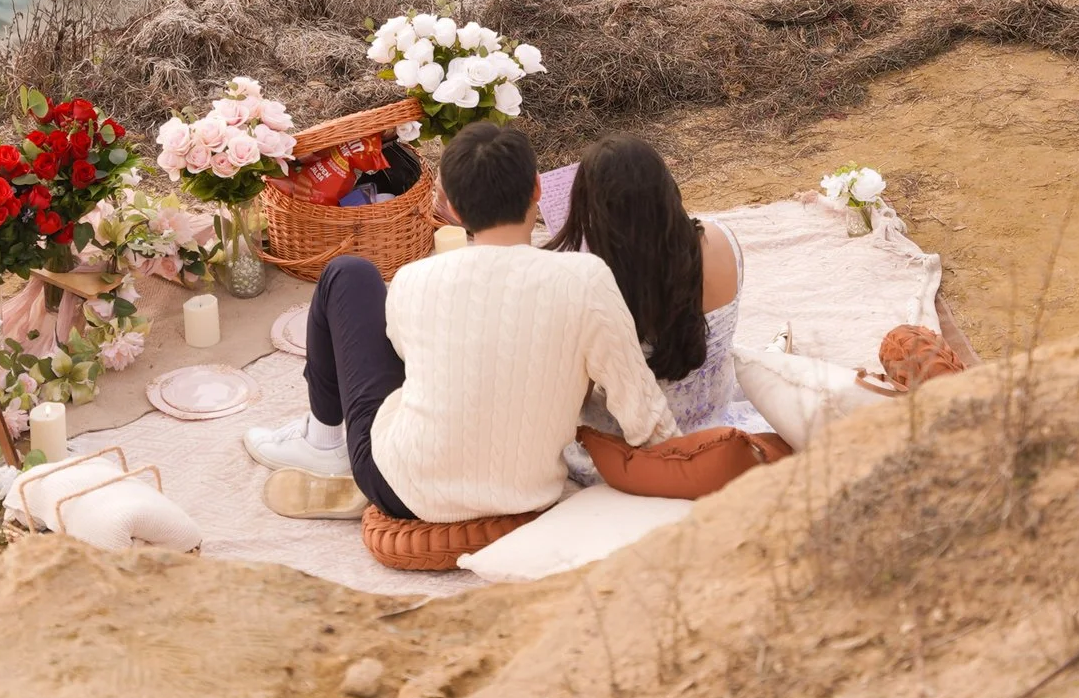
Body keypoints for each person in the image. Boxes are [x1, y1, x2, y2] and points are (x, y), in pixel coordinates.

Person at [244, 123, 677, 522]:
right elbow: (644, 416)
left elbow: (401, 362)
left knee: (348, 275)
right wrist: (685, 472)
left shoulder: (415, 280)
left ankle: (323, 439)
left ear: (449, 206)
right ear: (536, 189)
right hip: (529, 493)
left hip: (401, 490)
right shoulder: (588, 278)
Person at [551, 136, 768, 456]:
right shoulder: (724, 240)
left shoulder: (597, 287)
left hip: (640, 451)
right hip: (718, 426)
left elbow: (572, 403)